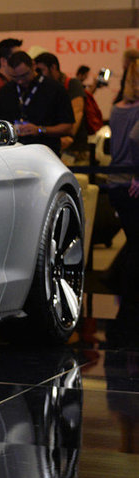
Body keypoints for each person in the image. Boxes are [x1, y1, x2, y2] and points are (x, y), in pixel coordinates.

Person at [0, 51, 74, 156]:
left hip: (46, 155)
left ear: (34, 66)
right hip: (12, 155)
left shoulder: (55, 89)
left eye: (24, 75)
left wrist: (40, 129)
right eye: (15, 77)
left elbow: (68, 127)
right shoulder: (6, 91)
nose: (20, 81)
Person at [106, 57, 139, 320]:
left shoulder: (116, 109)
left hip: (115, 181)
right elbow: (134, 139)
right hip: (132, 182)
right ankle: (128, 301)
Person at [34, 51, 86, 157]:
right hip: (53, 147)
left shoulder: (72, 84)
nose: (38, 75)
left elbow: (77, 112)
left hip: (75, 149)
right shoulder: (42, 88)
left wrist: (69, 137)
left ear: (53, 67)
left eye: (41, 70)